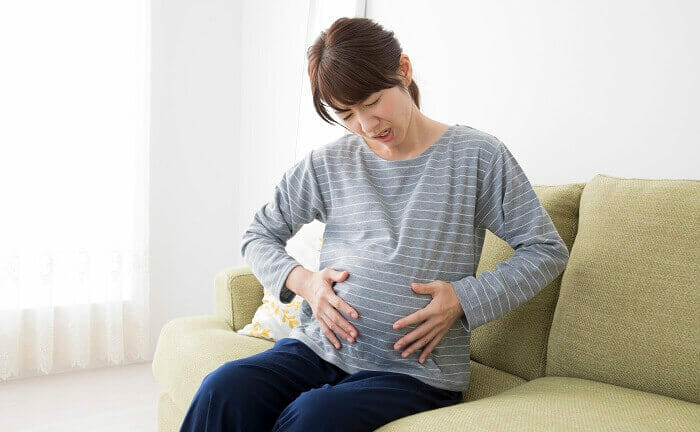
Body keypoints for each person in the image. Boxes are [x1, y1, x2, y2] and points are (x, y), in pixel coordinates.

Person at [180, 17, 569, 432]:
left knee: (313, 416)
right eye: (346, 114)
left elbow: (546, 250)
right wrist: (306, 282)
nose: (366, 126)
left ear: (403, 70)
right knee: (223, 388)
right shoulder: (328, 164)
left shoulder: (477, 157)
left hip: (415, 373)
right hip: (320, 349)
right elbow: (258, 235)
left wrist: (463, 299)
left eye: (372, 102)